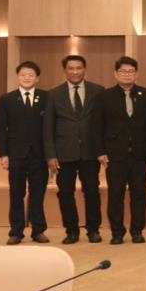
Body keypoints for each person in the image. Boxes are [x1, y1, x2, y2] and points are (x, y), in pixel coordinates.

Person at [93, 56, 146, 244]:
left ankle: (137, 231)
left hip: (140, 155)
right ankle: (117, 232)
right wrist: (100, 151)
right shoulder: (105, 96)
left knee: (139, 194)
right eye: (123, 71)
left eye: (131, 71)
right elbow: (97, 126)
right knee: (115, 194)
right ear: (116, 74)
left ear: (136, 74)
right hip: (114, 155)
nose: (127, 75)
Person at [44, 55, 105, 244]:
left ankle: (93, 230)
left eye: (79, 68)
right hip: (64, 152)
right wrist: (51, 155)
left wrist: (102, 150)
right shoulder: (53, 94)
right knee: (65, 193)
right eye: (71, 68)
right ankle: (71, 231)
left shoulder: (98, 91)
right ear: (65, 71)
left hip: (90, 151)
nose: (75, 72)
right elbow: (47, 127)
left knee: (92, 191)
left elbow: (103, 124)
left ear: (84, 69)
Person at [0, 61, 50, 244]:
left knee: (38, 194)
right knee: (16, 194)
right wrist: (3, 154)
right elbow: (0, 129)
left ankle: (38, 230)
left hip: (39, 155)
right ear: (18, 77)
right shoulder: (7, 99)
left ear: (37, 78)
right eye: (23, 75)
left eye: (31, 75)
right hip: (16, 155)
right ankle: (16, 232)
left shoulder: (46, 97)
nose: (27, 78)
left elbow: (50, 127)